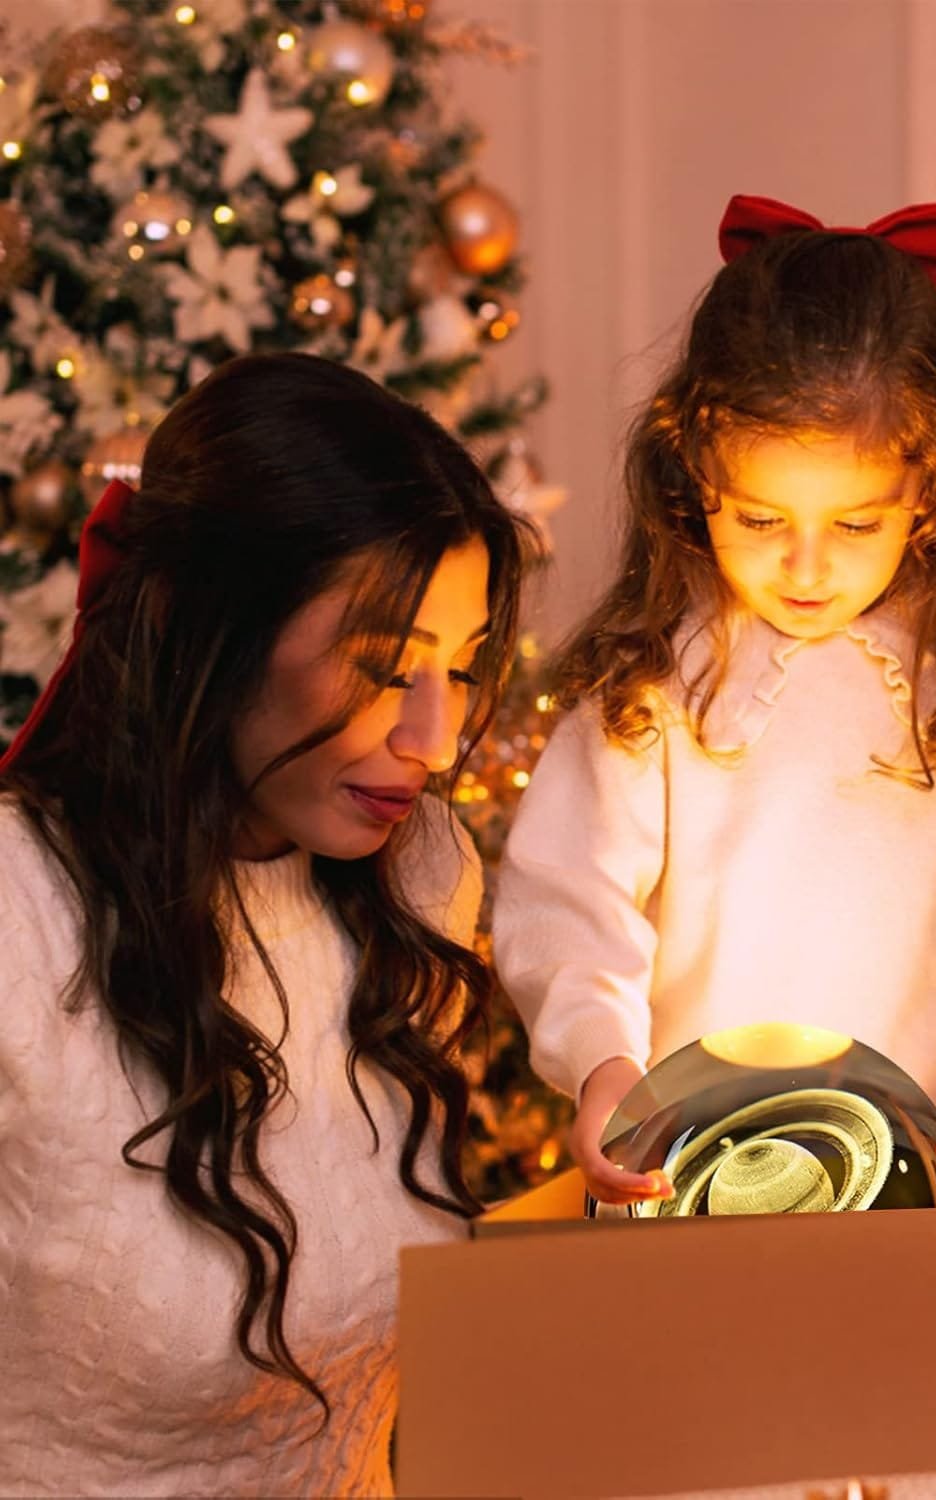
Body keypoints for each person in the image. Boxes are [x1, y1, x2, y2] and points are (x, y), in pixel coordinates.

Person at [0, 352, 533, 1496]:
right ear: (217, 631)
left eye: (465, 666)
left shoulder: (419, 877)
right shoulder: (18, 920)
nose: (436, 740)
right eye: (388, 667)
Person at [493, 195, 936, 1204]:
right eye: (762, 519)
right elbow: (567, 904)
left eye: (855, 525)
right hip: (680, 1182)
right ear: (697, 478)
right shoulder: (651, 696)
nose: (806, 569)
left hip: (904, 1191)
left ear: (925, 496)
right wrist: (603, 1064)